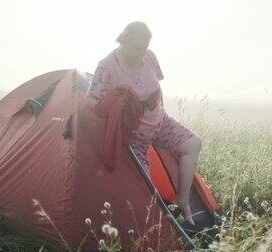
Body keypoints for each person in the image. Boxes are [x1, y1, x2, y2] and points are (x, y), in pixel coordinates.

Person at [84, 21, 202, 224]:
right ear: (124, 40)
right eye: (137, 48)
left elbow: (157, 87)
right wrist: (115, 104)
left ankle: (182, 200)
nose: (141, 53)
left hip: (159, 122)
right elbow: (91, 100)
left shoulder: (149, 56)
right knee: (144, 192)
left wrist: (162, 111)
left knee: (193, 143)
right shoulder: (107, 66)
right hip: (135, 137)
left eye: (145, 48)